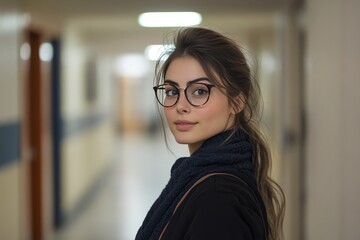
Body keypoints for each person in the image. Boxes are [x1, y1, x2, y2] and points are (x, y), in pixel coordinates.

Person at [136, 27, 285, 240]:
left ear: (236, 102)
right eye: (171, 91)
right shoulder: (201, 177)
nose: (181, 105)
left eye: (199, 91)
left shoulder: (217, 198)